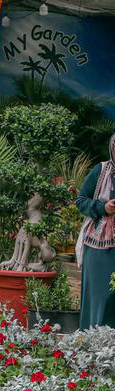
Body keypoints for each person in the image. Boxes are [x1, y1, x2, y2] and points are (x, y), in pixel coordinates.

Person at [75, 133, 115, 329]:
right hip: (100, 247)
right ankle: (94, 340)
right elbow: (81, 200)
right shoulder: (100, 171)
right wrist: (103, 207)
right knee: (100, 295)